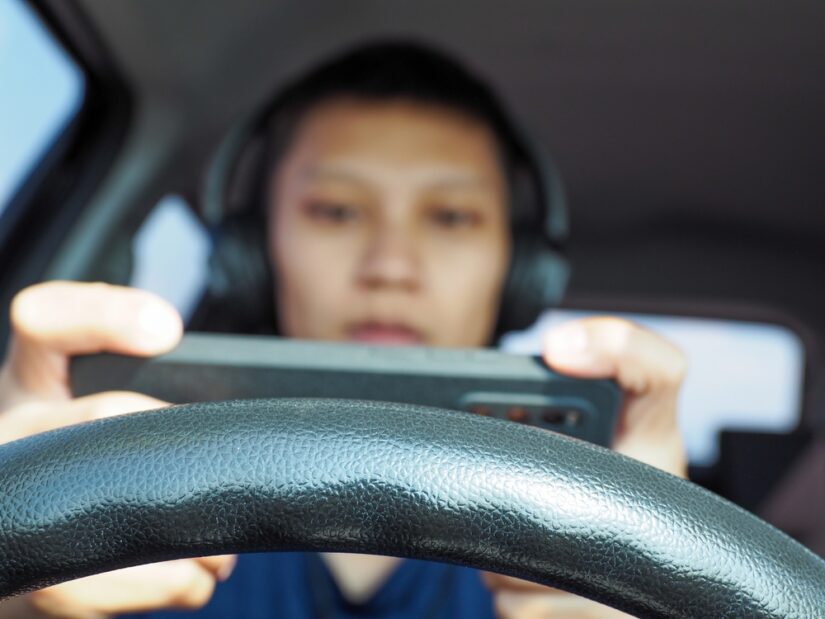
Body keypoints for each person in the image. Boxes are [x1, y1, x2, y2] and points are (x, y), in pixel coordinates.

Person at [0, 42, 687, 619]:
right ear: (254, 255)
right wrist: (19, 544)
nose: (390, 266)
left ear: (518, 269)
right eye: (334, 210)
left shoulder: (583, 520)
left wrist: (660, 567)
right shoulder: (139, 486)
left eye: (450, 217)